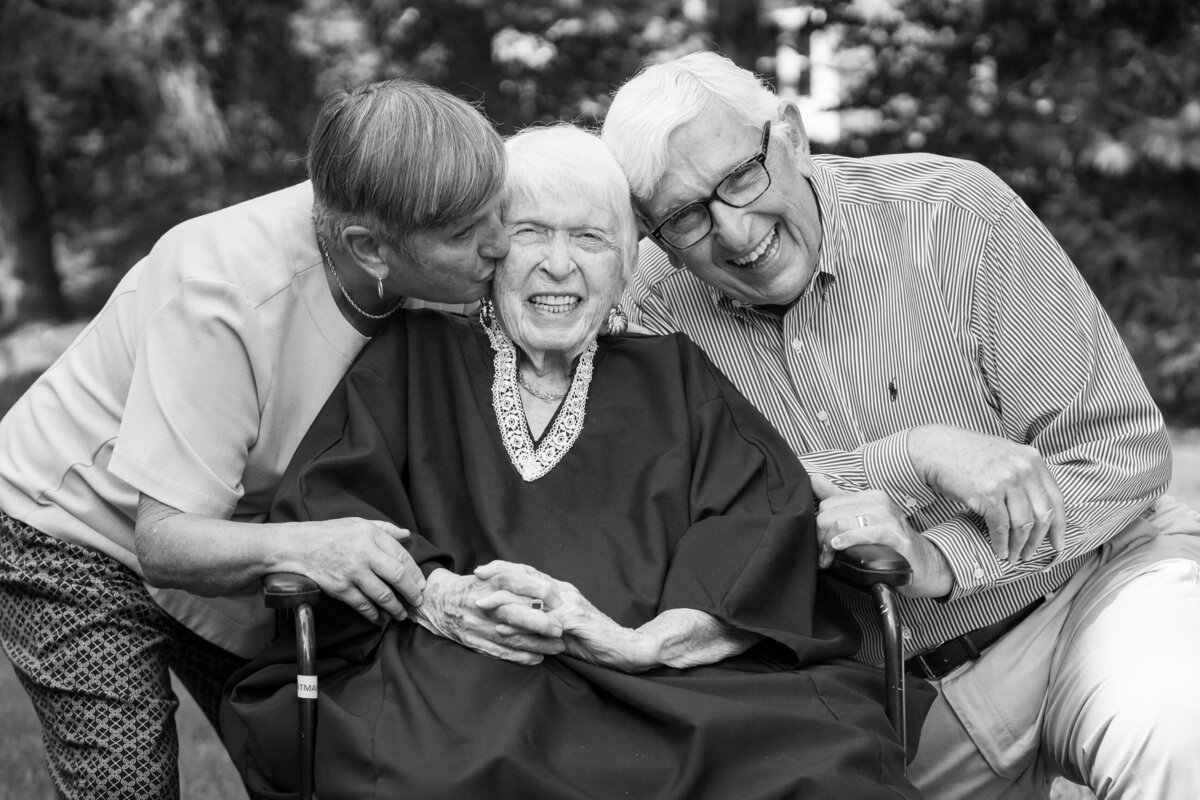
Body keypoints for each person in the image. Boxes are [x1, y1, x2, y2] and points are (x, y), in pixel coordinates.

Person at [217, 124, 929, 799]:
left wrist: (638, 644)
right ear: (491, 250)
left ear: (623, 264)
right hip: (463, 663)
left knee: (824, 760)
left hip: (660, 679)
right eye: (531, 233)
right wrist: (440, 598)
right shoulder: (413, 355)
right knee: (434, 765)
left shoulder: (672, 373)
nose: (559, 263)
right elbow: (336, 511)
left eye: (589, 237)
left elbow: (758, 516)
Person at [601, 51, 1200, 799]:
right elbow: (707, 513)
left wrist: (941, 558)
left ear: (789, 135)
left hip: (1089, 594)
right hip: (888, 697)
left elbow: (1119, 450)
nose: (733, 229)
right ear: (655, 235)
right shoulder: (645, 315)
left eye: (740, 177)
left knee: (1178, 726)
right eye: (686, 217)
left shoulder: (953, 212)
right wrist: (911, 453)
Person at [0, 78, 509, 799]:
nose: (500, 244)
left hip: (233, 519)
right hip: (72, 526)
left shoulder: (412, 226)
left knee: (324, 760)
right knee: (125, 785)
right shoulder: (226, 290)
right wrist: (310, 546)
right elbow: (166, 542)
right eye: (465, 235)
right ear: (369, 247)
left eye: (501, 210)